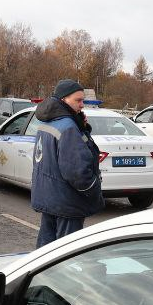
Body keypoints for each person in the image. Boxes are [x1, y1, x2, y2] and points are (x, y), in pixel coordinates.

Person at [30, 78, 104, 247]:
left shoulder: (47, 121)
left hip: (49, 197)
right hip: (67, 202)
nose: (82, 104)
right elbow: (77, 172)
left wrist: (82, 127)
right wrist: (94, 191)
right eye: (78, 100)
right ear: (64, 100)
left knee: (45, 252)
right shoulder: (68, 127)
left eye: (83, 100)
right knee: (66, 256)